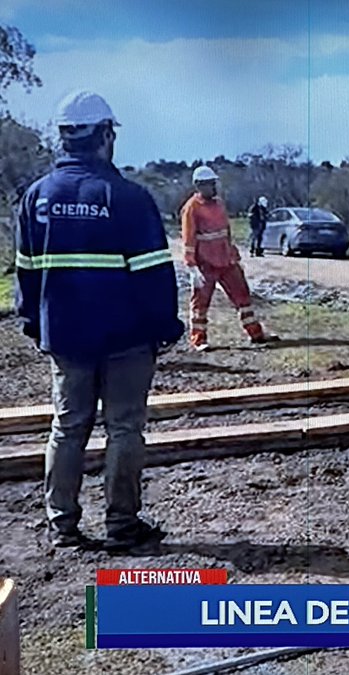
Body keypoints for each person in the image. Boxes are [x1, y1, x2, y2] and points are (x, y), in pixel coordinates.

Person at [14, 90, 184, 553]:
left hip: (65, 336)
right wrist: (165, 327)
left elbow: (26, 273)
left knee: (67, 427)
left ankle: (62, 525)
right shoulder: (127, 198)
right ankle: (122, 525)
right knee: (124, 428)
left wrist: (34, 323)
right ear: (106, 135)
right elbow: (153, 276)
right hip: (127, 337)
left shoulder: (37, 197)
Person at [181, 166, 278, 351]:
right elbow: (188, 238)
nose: (213, 187)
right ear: (199, 185)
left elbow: (226, 232)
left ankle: (256, 333)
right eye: (209, 184)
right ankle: (199, 339)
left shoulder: (219, 203)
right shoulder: (191, 208)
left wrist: (234, 255)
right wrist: (192, 267)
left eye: (214, 183)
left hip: (226, 261)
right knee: (200, 303)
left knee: (243, 296)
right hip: (205, 264)